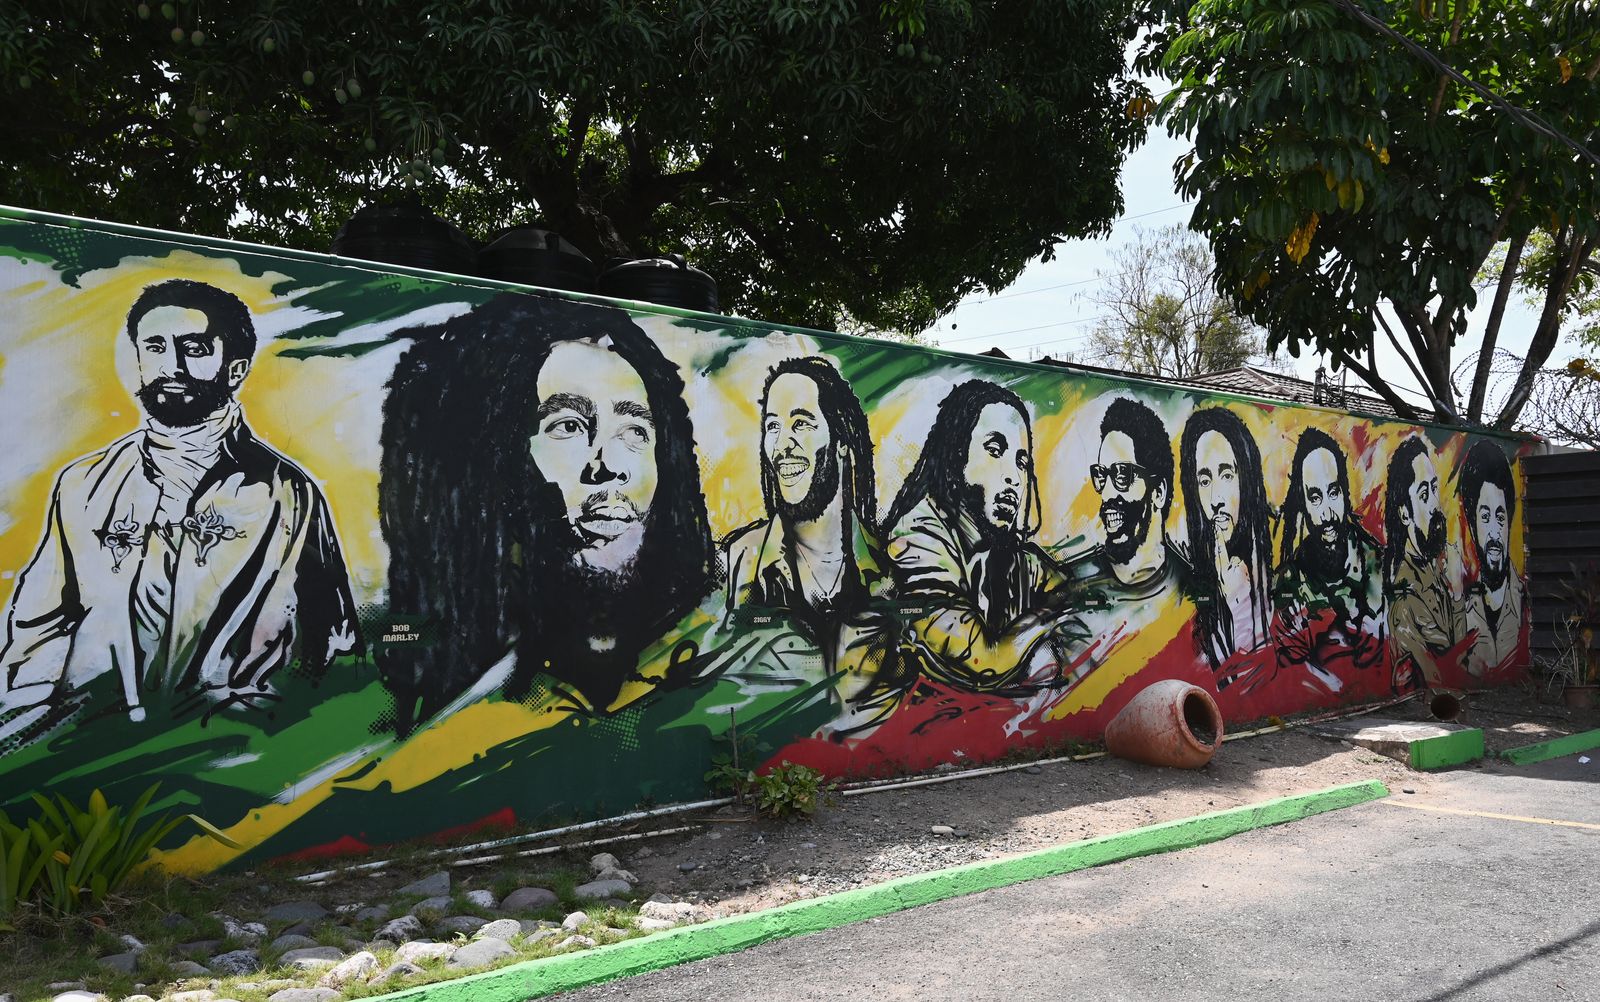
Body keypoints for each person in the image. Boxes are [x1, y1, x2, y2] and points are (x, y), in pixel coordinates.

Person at [0, 279, 359, 729]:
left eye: (194, 347)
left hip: (233, 747)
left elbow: (332, 636)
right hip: (96, 746)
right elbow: (40, 623)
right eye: (155, 347)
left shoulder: (286, 493)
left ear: (235, 369)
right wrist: (30, 723)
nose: (171, 366)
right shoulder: (82, 485)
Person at [380, 293, 716, 726]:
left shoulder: (706, 639)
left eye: (634, 430)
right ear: (499, 458)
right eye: (569, 427)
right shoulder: (467, 713)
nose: (609, 467)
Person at [721, 357, 902, 714]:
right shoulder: (737, 564)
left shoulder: (885, 567)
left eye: (801, 423)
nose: (782, 444)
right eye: (773, 427)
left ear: (841, 443)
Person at [882, 380, 1085, 694]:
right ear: (956, 453)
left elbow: (1069, 593)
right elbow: (982, 660)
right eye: (995, 450)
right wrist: (1048, 619)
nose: (1014, 477)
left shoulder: (1009, 552)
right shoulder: (918, 537)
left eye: (1022, 462)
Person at [1271, 427, 1384, 694]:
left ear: (1345, 494)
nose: (1327, 513)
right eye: (1315, 497)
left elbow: (1381, 647)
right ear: (1304, 505)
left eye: (1333, 493)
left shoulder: (1375, 563)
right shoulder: (1289, 582)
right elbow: (1292, 670)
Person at [1178, 407, 1273, 679]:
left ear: (1247, 480)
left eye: (1226, 475)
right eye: (1204, 479)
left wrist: (1240, 602)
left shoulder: (1278, 587)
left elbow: (1260, 682)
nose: (1216, 497)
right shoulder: (1194, 603)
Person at [1066, 396, 1189, 604]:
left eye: (1122, 475)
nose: (1106, 493)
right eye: (1102, 476)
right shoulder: (1074, 583)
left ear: (1158, 492)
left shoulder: (1188, 587)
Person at [1384, 435, 1462, 690]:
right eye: (1424, 494)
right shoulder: (1406, 598)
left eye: (1434, 489)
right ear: (1404, 513)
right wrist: (1459, 597)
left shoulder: (1436, 573)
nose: (1434, 505)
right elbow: (1446, 673)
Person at [1459, 440, 1526, 676]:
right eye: (1485, 517)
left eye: (1500, 517)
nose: (1495, 533)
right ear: (1473, 524)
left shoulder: (1524, 599)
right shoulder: (1459, 601)